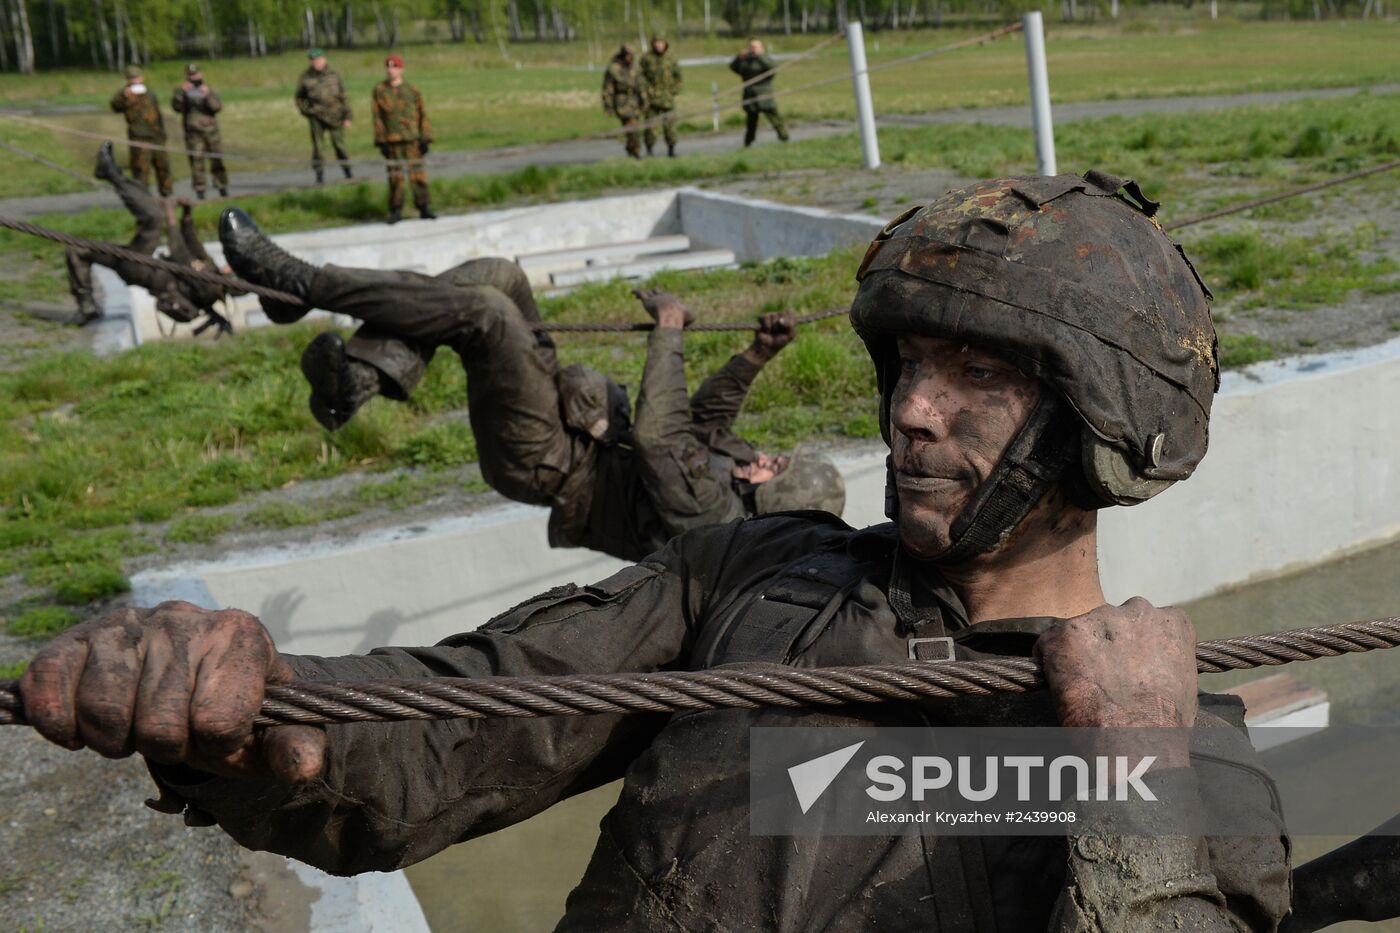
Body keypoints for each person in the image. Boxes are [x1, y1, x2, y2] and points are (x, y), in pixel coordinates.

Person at [21, 173, 1291, 931]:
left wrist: (1132, 782)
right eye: (907, 361)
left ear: (1104, 430)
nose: (910, 407)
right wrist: (257, 712)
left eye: (979, 373)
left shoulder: (1194, 773)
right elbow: (459, 722)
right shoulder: (752, 574)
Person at [217, 206, 843, 561]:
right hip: (568, 421)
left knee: (487, 315)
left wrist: (669, 331)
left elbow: (659, 434)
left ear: (772, 500)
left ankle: (301, 281)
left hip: (547, 457)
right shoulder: (735, 473)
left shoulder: (711, 519)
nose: (765, 455)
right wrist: (758, 354)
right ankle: (358, 377)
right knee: (502, 276)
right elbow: (708, 421)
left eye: (777, 465)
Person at [64, 141, 233, 333]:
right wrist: (186, 216)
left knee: (154, 218)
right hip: (140, 264)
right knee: (78, 249)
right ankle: (86, 305)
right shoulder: (213, 272)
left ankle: (111, 172)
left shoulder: (209, 286)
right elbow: (194, 247)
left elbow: (180, 254)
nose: (230, 264)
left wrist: (170, 216)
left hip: (141, 268)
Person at [371, 54, 435, 225]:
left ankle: (423, 207)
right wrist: (381, 140)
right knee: (395, 177)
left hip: (412, 139)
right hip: (392, 140)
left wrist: (425, 138)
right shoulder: (380, 91)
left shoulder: (412, 90)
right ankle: (395, 209)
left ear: (401, 69)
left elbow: (422, 114)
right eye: (389, 67)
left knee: (418, 175)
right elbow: (377, 117)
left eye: (395, 67)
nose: (391, 70)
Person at [109, 64, 174, 195]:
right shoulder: (124, 94)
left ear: (142, 78)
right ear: (127, 80)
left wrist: (162, 133)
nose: (134, 80)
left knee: (163, 167)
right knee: (140, 169)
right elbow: (115, 106)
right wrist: (124, 96)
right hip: (138, 137)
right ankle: (142, 197)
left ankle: (167, 195)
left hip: (156, 136)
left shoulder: (149, 93)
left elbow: (157, 113)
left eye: (136, 77)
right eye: (131, 78)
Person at [294, 48, 353, 185]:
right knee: (318, 148)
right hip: (317, 117)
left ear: (324, 59)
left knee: (339, 145)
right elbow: (299, 98)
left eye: (319, 59)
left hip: (336, 116)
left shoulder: (334, 75)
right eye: (314, 60)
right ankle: (319, 175)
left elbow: (343, 96)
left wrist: (348, 116)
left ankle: (348, 172)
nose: (317, 62)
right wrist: (308, 111)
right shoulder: (306, 77)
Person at [170, 63, 228, 200]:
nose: (193, 77)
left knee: (216, 159)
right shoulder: (181, 91)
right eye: (190, 75)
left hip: (211, 131)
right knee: (196, 161)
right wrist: (181, 93)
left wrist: (207, 94)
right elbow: (177, 108)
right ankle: (200, 190)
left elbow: (217, 107)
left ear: (201, 74)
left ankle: (222, 186)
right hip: (193, 133)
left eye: (195, 74)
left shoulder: (208, 90)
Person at [730, 38, 789, 147]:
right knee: (751, 122)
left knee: (775, 118)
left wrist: (759, 56)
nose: (753, 49)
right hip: (750, 95)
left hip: (764, 94)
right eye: (751, 47)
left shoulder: (765, 59)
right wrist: (739, 57)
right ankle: (748, 142)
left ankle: (784, 137)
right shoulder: (746, 61)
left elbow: (772, 67)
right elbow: (734, 68)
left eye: (755, 47)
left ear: (761, 48)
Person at [602, 44, 647, 160]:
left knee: (635, 129)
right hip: (622, 103)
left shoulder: (635, 68)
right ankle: (634, 152)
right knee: (632, 127)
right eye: (627, 55)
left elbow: (641, 85)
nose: (629, 58)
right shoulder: (614, 69)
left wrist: (644, 100)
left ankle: (632, 149)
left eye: (631, 55)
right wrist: (608, 106)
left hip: (635, 102)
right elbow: (608, 89)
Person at [639, 35, 682, 158]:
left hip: (667, 100)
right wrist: (647, 91)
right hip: (651, 101)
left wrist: (673, 91)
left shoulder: (671, 58)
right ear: (653, 43)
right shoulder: (646, 58)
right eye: (657, 42)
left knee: (670, 128)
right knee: (650, 128)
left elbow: (678, 78)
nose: (659, 45)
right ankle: (649, 151)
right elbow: (640, 77)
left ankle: (671, 150)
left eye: (662, 42)